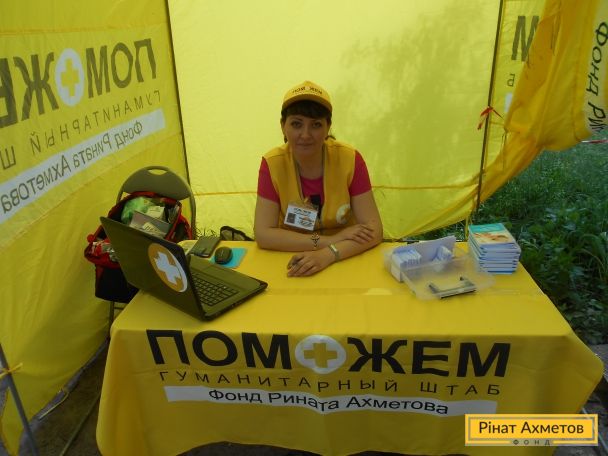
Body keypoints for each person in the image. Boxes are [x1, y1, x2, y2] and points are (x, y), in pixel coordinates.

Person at [254, 80, 383, 277]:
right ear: (283, 126)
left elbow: (374, 230)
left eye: (316, 125)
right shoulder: (272, 163)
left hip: (347, 257)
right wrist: (327, 242)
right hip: (291, 260)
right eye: (296, 124)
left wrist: (328, 254)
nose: (305, 135)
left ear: (328, 127)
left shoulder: (350, 158)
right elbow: (263, 234)